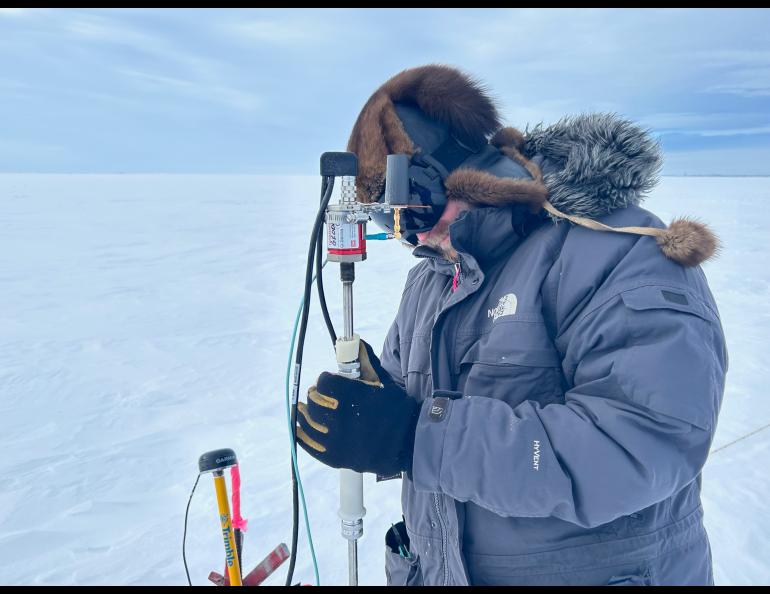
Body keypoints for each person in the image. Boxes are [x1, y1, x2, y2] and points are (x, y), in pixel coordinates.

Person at [296, 64, 727, 586]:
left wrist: (414, 437)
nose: (412, 238)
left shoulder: (620, 253)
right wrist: (374, 416)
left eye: (415, 210)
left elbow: (639, 446)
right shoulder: (433, 280)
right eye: (389, 220)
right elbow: (413, 419)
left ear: (463, 175)